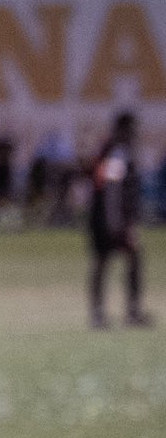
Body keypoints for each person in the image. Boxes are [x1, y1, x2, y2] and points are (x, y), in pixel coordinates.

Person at [87, 111, 150, 329]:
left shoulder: (113, 148)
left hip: (106, 217)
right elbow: (111, 188)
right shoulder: (118, 151)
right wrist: (117, 223)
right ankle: (112, 313)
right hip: (111, 218)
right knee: (107, 261)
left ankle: (104, 313)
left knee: (112, 262)